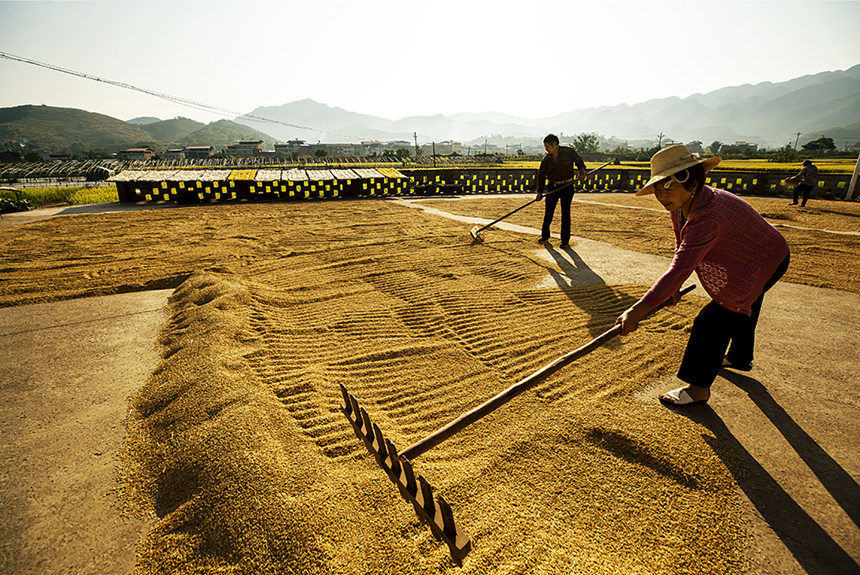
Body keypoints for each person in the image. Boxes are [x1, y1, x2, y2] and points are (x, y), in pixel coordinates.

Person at [615, 145, 790, 406]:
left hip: (764, 257)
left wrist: (636, 312)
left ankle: (698, 388)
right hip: (756, 253)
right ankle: (740, 357)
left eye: (668, 186)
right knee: (746, 305)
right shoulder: (681, 204)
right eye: (658, 189)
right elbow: (682, 248)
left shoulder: (708, 214)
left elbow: (679, 268)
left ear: (692, 181)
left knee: (715, 319)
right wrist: (673, 288)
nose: (662, 195)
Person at [535, 134, 587, 248]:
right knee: (548, 212)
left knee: (565, 213)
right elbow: (541, 175)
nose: (546, 149)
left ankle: (565, 241)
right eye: (545, 147)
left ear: (555, 144)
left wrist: (582, 172)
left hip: (567, 186)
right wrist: (539, 192)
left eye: (548, 146)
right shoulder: (546, 159)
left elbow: (579, 163)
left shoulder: (569, 152)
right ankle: (545, 236)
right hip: (553, 187)